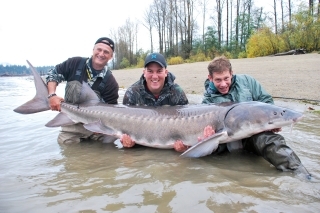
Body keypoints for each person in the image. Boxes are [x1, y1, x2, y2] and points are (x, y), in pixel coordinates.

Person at [175, 55, 309, 174]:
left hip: (252, 135)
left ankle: (301, 173)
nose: (223, 84)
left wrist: (271, 122)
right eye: (218, 80)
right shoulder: (208, 101)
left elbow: (267, 102)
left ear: (232, 73)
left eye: (226, 78)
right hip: (229, 140)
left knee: (269, 140)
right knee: (215, 155)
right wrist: (206, 139)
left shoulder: (247, 82)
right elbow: (208, 144)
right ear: (210, 78)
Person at [46, 37, 119, 144]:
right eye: (99, 49)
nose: (101, 54)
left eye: (106, 52)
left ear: (111, 56)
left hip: (96, 130)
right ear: (93, 50)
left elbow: (112, 112)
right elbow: (53, 74)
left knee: (108, 149)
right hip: (71, 124)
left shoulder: (111, 82)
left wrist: (104, 129)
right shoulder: (75, 63)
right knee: (67, 148)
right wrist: (52, 95)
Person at [120, 52, 189, 147]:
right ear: (144, 73)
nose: (155, 76)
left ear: (166, 73)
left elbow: (185, 123)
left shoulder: (177, 92)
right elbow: (124, 124)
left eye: (159, 71)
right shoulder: (132, 92)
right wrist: (127, 141)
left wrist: (185, 146)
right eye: (150, 71)